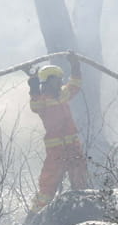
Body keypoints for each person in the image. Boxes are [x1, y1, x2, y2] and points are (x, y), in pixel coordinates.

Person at [27, 60, 89, 211]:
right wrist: (34, 85)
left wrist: (75, 67)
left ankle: (82, 212)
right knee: (48, 185)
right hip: (56, 151)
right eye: (57, 80)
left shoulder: (62, 94)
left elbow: (75, 85)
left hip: (73, 147)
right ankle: (35, 216)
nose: (60, 82)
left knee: (80, 181)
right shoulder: (41, 100)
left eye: (60, 79)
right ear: (47, 82)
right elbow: (35, 106)